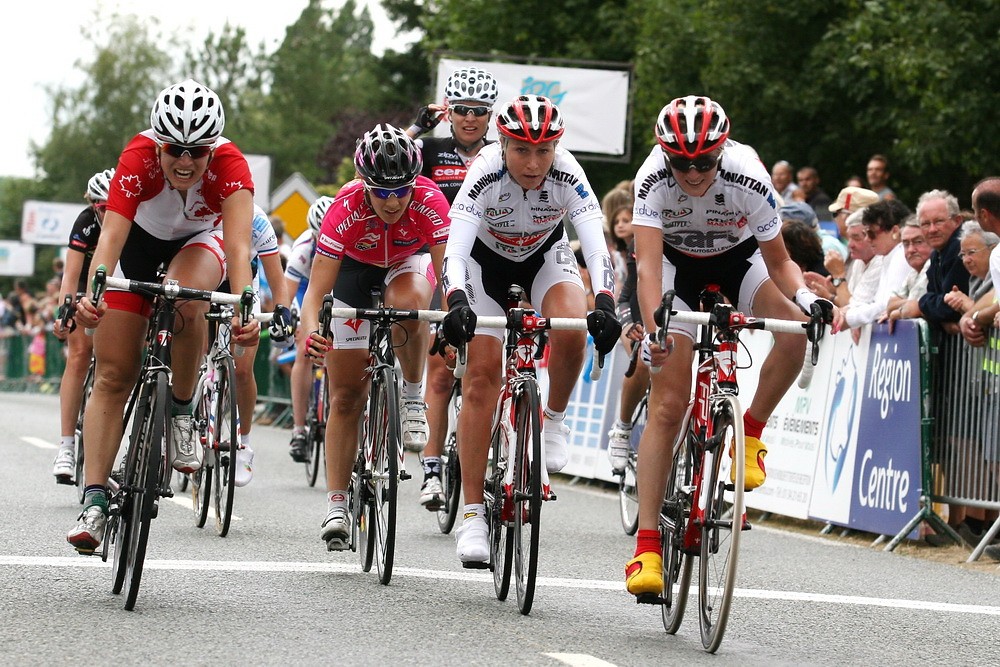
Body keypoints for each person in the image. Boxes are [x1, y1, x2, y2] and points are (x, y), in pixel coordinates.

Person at [623, 95, 834, 596]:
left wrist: (806, 298)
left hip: (737, 259)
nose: (693, 171)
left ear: (722, 151)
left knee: (792, 331)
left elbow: (781, 263)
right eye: (682, 162)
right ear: (665, 155)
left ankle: (752, 433)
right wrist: (656, 329)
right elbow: (649, 269)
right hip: (674, 266)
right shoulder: (651, 178)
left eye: (704, 161)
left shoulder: (748, 174)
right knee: (669, 406)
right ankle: (647, 546)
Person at [67, 79, 261, 554]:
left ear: (212, 149)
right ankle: (94, 499)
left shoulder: (232, 167)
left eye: (197, 151)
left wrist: (246, 302)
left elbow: (238, 245)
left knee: (186, 298)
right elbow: (110, 237)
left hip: (200, 242)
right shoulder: (137, 157)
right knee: (114, 373)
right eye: (174, 149)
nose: (186, 162)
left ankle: (181, 409)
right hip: (138, 242)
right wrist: (93, 293)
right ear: (159, 143)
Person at [439, 95, 621, 566]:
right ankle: (474, 514)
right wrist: (457, 299)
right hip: (484, 266)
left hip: (544, 256)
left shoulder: (567, 172)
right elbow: (455, 251)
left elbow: (598, 250)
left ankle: (553, 422)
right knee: (481, 377)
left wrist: (604, 300)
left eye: (544, 151)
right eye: (522, 150)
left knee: (573, 327)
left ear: (556, 148)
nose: (534, 163)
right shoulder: (484, 171)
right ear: (502, 143)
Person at [299, 124, 450, 551]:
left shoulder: (430, 200)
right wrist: (312, 332)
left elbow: (451, 276)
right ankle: (336, 502)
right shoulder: (344, 208)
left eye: (401, 190)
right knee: (346, 395)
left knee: (409, 305)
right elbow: (316, 294)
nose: (392, 200)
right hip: (353, 270)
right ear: (363, 184)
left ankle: (413, 394)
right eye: (381, 192)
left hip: (408, 263)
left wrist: (453, 318)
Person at [405, 66, 499, 510]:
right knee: (442, 373)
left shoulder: (503, 154)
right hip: (436, 257)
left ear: (490, 116)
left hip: (490, 263)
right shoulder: (428, 149)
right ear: (448, 111)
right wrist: (416, 126)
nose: (469, 119)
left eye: (479, 112)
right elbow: (379, 165)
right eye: (460, 110)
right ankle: (431, 468)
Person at [209, 205, 294, 486]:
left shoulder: (256, 218)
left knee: (243, 370)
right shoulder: (195, 208)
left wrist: (283, 311)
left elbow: (275, 276)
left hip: (243, 288)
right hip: (204, 281)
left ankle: (243, 442)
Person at [50, 168, 113, 484]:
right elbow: (70, 275)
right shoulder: (86, 222)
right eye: (101, 208)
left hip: (114, 285)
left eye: (111, 207)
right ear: (92, 204)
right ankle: (66, 446)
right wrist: (63, 313)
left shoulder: (135, 219)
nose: (106, 213)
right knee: (78, 356)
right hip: (85, 285)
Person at [285, 196, 335, 463]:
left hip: (335, 288)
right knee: (304, 348)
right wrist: (294, 317)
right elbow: (288, 292)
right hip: (305, 289)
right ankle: (299, 429)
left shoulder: (345, 236)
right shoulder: (303, 248)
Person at [893, 190, 970, 331]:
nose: (932, 229)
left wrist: (920, 305)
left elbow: (949, 307)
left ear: (957, 221)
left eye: (939, 221)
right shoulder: (937, 252)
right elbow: (934, 297)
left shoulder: (959, 247)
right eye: (925, 224)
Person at [835, 199, 913, 331]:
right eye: (865, 234)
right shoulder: (888, 256)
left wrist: (848, 319)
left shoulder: (901, 256)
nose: (867, 239)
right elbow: (875, 303)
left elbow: (886, 305)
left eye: (871, 234)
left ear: (894, 231)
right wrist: (845, 314)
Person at [883, 217, 932, 318]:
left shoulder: (931, 266)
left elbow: (913, 309)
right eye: (905, 244)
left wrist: (897, 313)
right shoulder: (913, 273)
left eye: (918, 242)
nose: (911, 250)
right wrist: (909, 305)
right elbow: (891, 304)